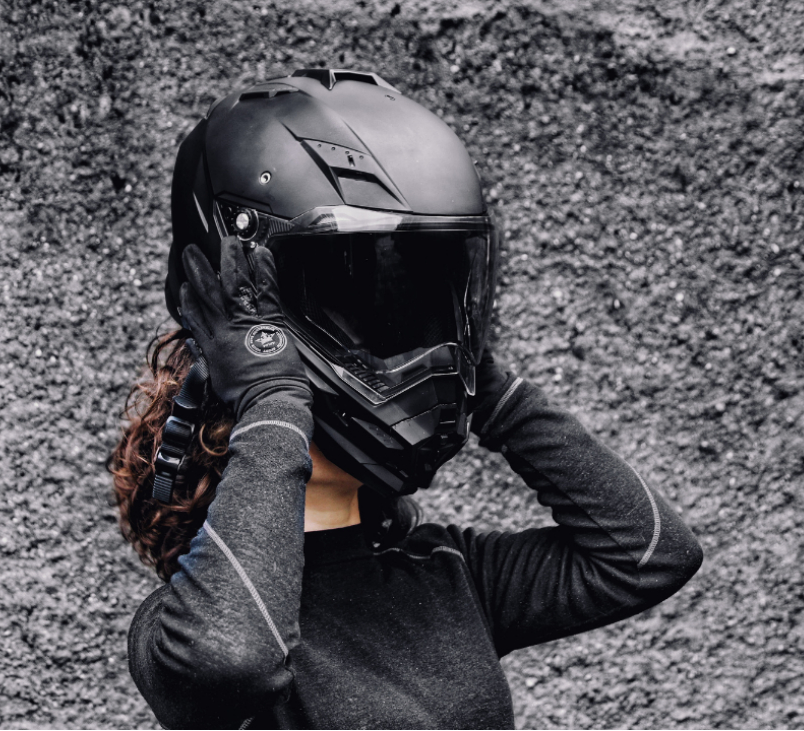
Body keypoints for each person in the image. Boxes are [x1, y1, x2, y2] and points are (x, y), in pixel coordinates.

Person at [110, 69, 702, 729]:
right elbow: (238, 656)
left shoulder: (447, 570)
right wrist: (273, 394)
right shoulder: (180, 629)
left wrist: (481, 377)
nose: (407, 349)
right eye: (372, 313)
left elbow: (649, 552)